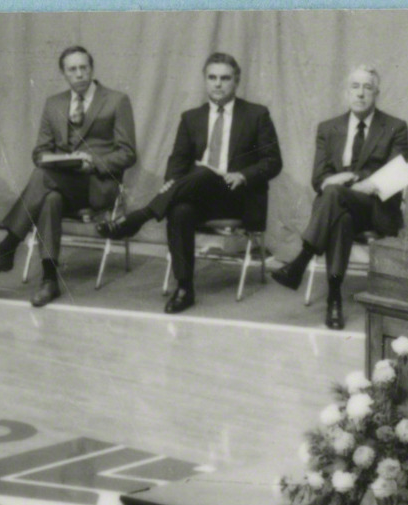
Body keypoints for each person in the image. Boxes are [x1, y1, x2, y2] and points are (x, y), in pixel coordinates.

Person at [96, 52, 282, 314]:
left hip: (237, 196)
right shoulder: (191, 117)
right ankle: (185, 288)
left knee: (205, 172)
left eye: (225, 78)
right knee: (180, 209)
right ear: (205, 80)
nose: (218, 84)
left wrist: (244, 175)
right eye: (212, 78)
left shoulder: (256, 114)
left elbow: (273, 161)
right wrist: (171, 184)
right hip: (199, 195)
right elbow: (177, 164)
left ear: (236, 81)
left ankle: (140, 216)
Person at [0, 45, 137, 307]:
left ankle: (7, 248)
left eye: (84, 68)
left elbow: (128, 153)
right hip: (60, 182)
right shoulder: (54, 104)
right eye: (73, 69)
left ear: (92, 69)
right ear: (64, 73)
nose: (79, 74)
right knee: (50, 197)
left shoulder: (116, 100)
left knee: (43, 177)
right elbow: (40, 152)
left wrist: (92, 163)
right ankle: (50, 280)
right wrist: (57, 160)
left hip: (98, 185)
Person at [271, 65, 408, 330]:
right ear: (346, 93)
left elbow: (396, 174)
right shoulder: (328, 128)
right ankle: (334, 298)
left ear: (377, 93)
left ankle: (301, 261)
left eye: (367, 87)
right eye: (355, 87)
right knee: (340, 218)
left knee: (334, 193)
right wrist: (334, 183)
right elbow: (318, 178)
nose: (360, 94)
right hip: (340, 210)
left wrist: (348, 180)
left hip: (377, 209)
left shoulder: (395, 127)